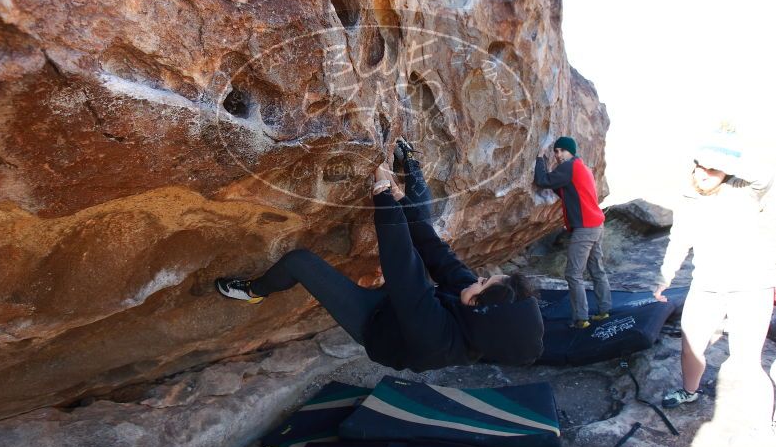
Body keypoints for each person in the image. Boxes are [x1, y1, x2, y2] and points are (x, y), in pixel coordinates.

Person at [215, 139, 544, 372]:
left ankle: (254, 291)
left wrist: (383, 195)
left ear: (480, 310)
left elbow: (405, 273)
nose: (479, 277)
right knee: (417, 215)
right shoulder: (471, 299)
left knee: (298, 262)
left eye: (484, 283)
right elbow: (435, 253)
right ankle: (411, 165)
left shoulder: (438, 342)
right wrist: (399, 198)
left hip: (373, 325)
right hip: (399, 306)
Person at [653, 131, 775, 420]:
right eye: (700, 165)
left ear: (726, 170)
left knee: (746, 362)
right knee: (690, 348)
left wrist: (721, 160)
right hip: (706, 286)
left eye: (713, 168)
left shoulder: (745, 190)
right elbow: (679, 240)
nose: (704, 172)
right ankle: (689, 391)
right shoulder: (689, 199)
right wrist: (664, 278)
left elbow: (765, 176)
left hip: (750, 288)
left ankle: (763, 421)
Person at [534, 136, 612, 328]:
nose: (558, 155)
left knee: (573, 274)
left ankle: (581, 319)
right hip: (597, 225)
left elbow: (542, 180)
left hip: (585, 229)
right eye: (556, 151)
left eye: (562, 150)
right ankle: (605, 310)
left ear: (571, 151)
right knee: (596, 269)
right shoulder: (582, 167)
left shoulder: (569, 167)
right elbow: (565, 191)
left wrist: (539, 159)